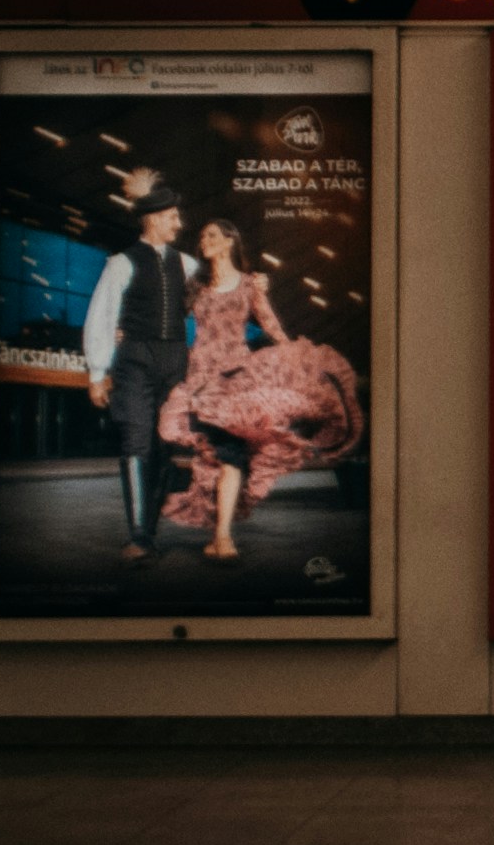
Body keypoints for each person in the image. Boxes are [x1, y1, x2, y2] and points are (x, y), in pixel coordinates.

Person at [156, 218, 367, 563]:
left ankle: (222, 537)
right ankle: (217, 535)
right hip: (200, 381)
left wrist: (298, 359)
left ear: (228, 241)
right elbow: (167, 321)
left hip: (235, 382)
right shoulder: (195, 286)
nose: (203, 240)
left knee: (230, 455)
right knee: (214, 458)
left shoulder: (250, 285)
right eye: (202, 235)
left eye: (211, 235)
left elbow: (272, 326)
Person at [80, 184, 196, 566]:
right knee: (136, 440)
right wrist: (98, 372)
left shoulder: (189, 265)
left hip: (174, 360)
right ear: (153, 219)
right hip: (134, 360)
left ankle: (149, 531)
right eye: (172, 218)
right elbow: (102, 314)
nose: (179, 224)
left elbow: (216, 299)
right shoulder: (121, 263)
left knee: (163, 445)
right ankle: (139, 536)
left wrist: (252, 284)